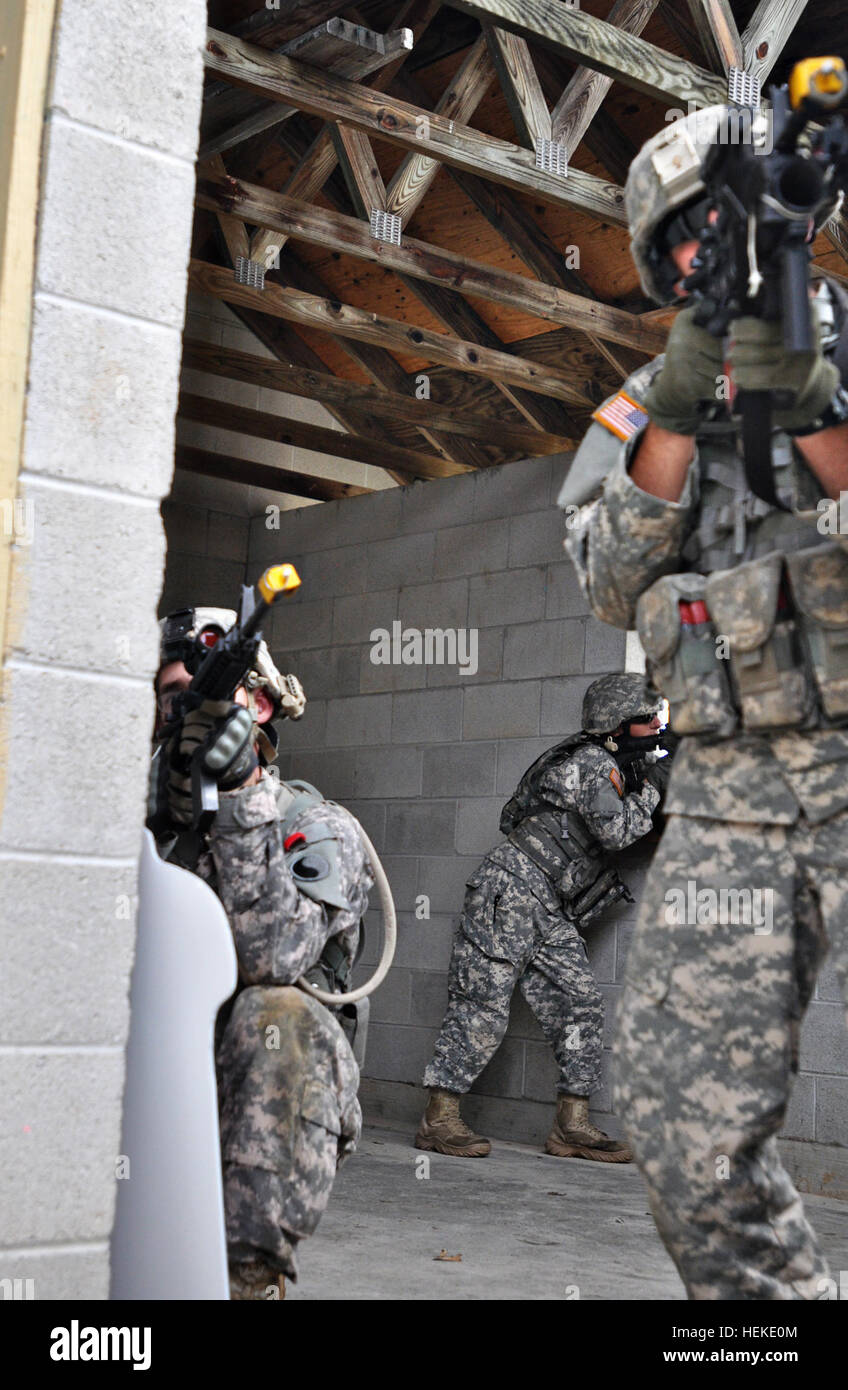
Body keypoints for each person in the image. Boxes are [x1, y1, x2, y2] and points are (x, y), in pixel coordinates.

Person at [558, 106, 848, 1299]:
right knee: (679, 1117)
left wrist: (810, 394)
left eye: (729, 222)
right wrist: (679, 401)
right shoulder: (643, 404)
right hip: (736, 790)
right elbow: (610, 582)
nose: (708, 252)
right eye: (684, 237)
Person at [150, 605, 373, 1299]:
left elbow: (271, 954)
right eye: (173, 694)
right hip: (141, 1071)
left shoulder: (318, 826)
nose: (192, 710)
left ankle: (245, 1279)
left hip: (239, 1083)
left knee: (282, 1015)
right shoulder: (134, 819)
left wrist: (241, 792)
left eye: (217, 693)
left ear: (266, 703)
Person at [415, 674, 671, 1162]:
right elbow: (617, 833)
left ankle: (570, 1125)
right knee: (482, 1006)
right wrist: (655, 789)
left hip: (549, 904)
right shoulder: (590, 763)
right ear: (617, 724)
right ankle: (438, 1118)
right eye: (647, 718)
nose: (657, 723)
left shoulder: (604, 763)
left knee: (580, 1003)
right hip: (509, 891)